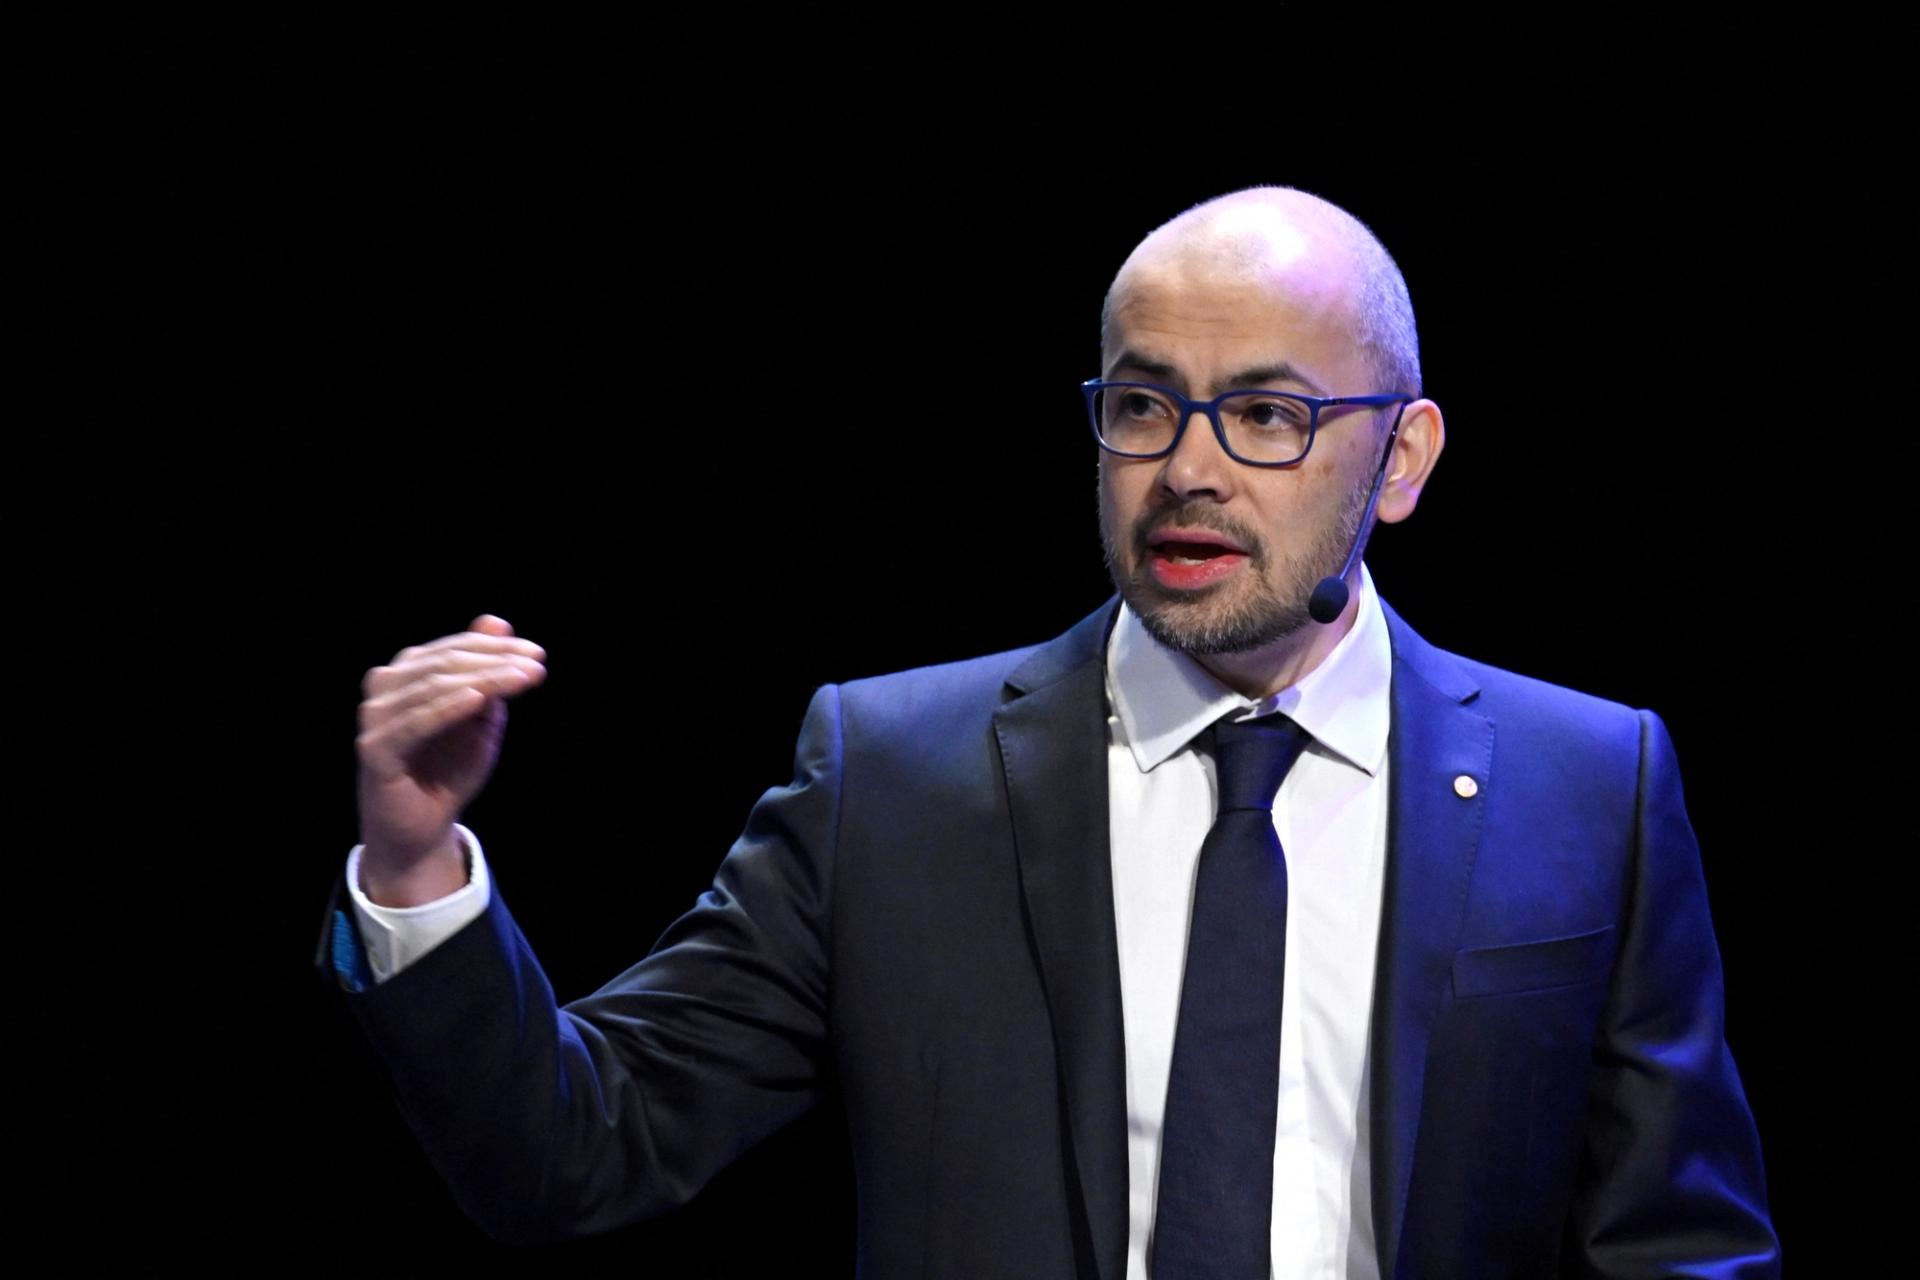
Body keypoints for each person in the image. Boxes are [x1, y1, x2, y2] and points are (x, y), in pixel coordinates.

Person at [322, 187, 1779, 1278]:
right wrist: (416, 867)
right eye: (1144, 405)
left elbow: (1681, 1246)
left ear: (1400, 458)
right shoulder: (890, 778)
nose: (1189, 470)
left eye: (1267, 415)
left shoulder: (1590, 784)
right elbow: (581, 1147)